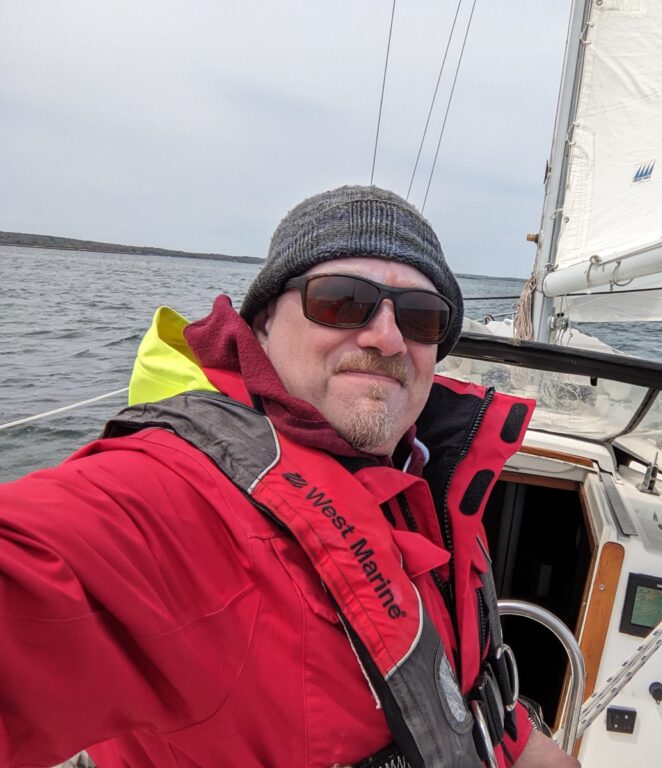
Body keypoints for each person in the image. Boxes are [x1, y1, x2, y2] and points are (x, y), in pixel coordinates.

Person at [0, 186, 580, 768]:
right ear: (260, 327)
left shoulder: (426, 474)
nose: (387, 337)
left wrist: (524, 744)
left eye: (421, 316)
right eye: (340, 302)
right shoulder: (174, 498)